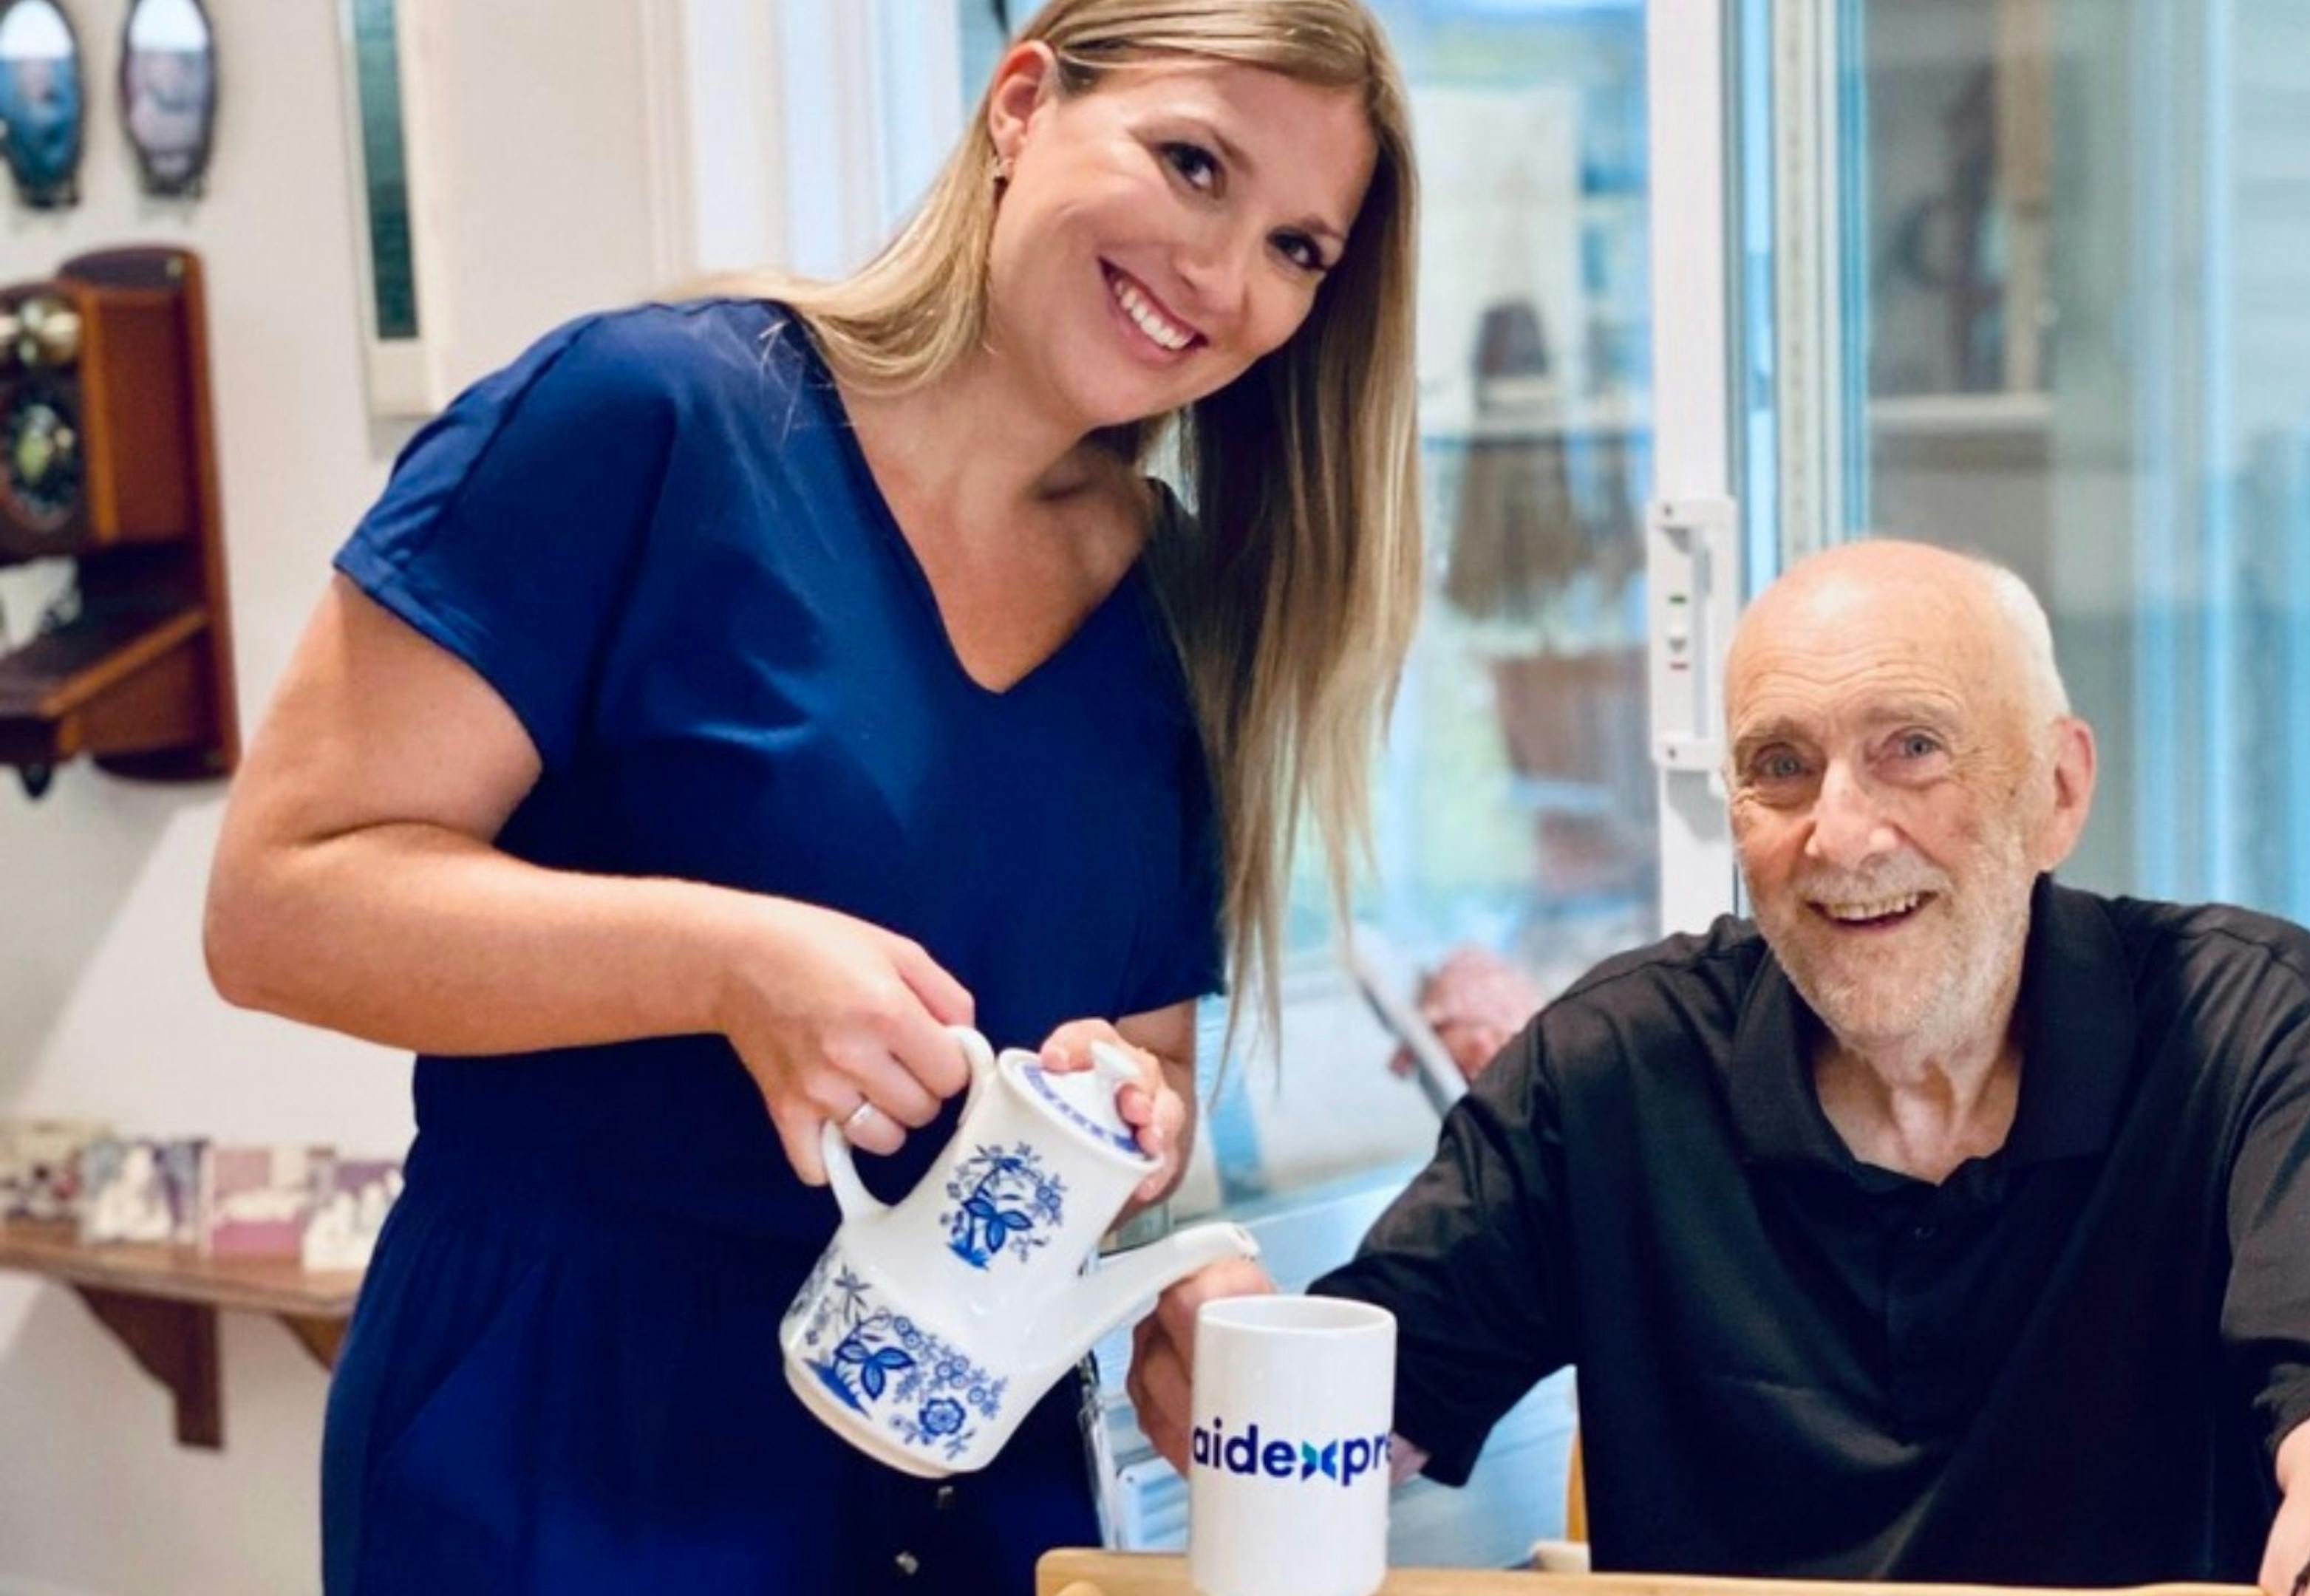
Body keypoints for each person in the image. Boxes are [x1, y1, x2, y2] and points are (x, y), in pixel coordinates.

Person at [202, 3, 1420, 1589]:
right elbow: (279, 901)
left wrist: (1132, 1172)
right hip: (565, 1456)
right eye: (1192, 164)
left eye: (1298, 249)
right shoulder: (645, 420)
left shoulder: (1180, 607)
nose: (1226, 277)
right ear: (1022, 103)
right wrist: (727, 967)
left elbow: (1143, 1073)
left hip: (966, 1490)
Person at [1133, 541, 2310, 1596]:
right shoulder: (1614, 1070)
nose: (1840, 833)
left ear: (2056, 792)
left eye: (1913, 749)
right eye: (1781, 768)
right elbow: (1366, 1422)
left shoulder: (2245, 1026)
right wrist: (1226, 1355)